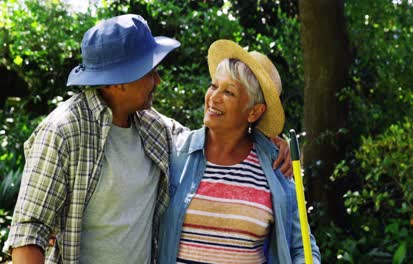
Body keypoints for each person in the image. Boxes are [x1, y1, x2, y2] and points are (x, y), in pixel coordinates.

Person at [3, 15, 291, 263]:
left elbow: (213, 138)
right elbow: (29, 231)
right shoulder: (63, 131)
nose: (158, 80)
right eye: (150, 72)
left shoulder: (153, 128)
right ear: (118, 81)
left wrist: (270, 142)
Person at [158, 40, 321, 264]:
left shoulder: (276, 167)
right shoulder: (177, 152)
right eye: (214, 86)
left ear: (254, 112)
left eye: (229, 92)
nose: (213, 98)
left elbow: (301, 247)